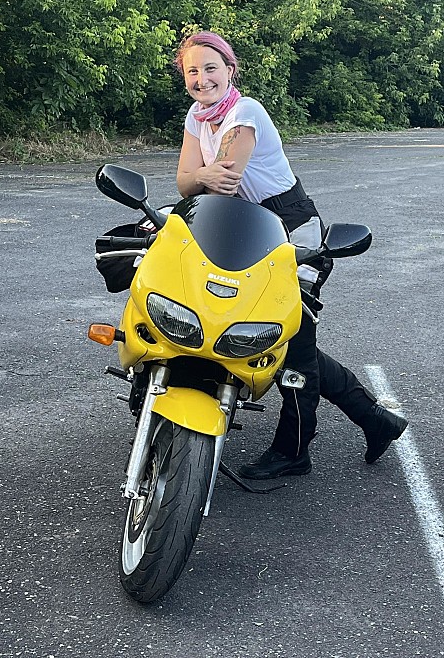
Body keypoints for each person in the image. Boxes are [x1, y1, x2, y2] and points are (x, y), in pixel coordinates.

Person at [174, 31, 408, 478]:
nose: (201, 79)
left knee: (291, 343)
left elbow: (223, 181)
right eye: (192, 71)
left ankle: (294, 449)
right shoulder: (197, 116)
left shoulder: (245, 112)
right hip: (243, 224)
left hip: (289, 224)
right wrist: (200, 176)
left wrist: (199, 178)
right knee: (279, 340)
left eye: (210, 68)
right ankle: (376, 419)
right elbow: (187, 183)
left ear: (230, 70)